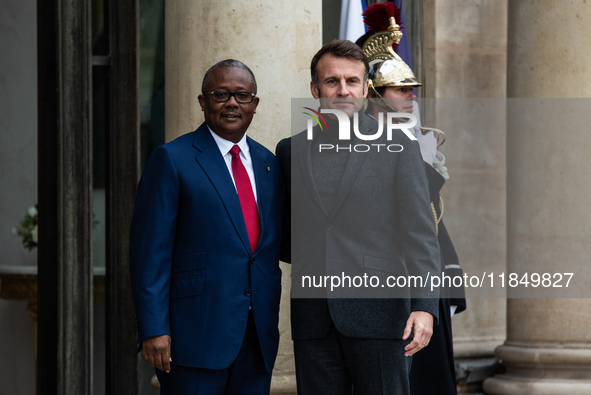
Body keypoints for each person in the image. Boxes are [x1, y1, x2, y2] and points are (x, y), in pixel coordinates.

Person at [276, 39, 441, 395]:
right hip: (314, 320)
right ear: (314, 88)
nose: (343, 90)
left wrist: (426, 307)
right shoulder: (291, 150)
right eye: (332, 81)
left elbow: (421, 234)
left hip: (383, 317)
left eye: (352, 81)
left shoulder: (399, 144)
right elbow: (288, 233)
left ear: (366, 88)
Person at [129, 59, 284, 395]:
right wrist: (153, 328)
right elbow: (149, 253)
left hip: (256, 338)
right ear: (203, 102)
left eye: (242, 96)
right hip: (194, 337)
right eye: (220, 94)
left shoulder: (268, 163)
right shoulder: (171, 159)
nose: (232, 103)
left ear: (255, 105)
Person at [358, 4, 467, 393]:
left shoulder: (417, 143)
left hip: (420, 284)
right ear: (374, 93)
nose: (410, 97)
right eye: (401, 89)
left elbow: (430, 222)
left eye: (412, 90)